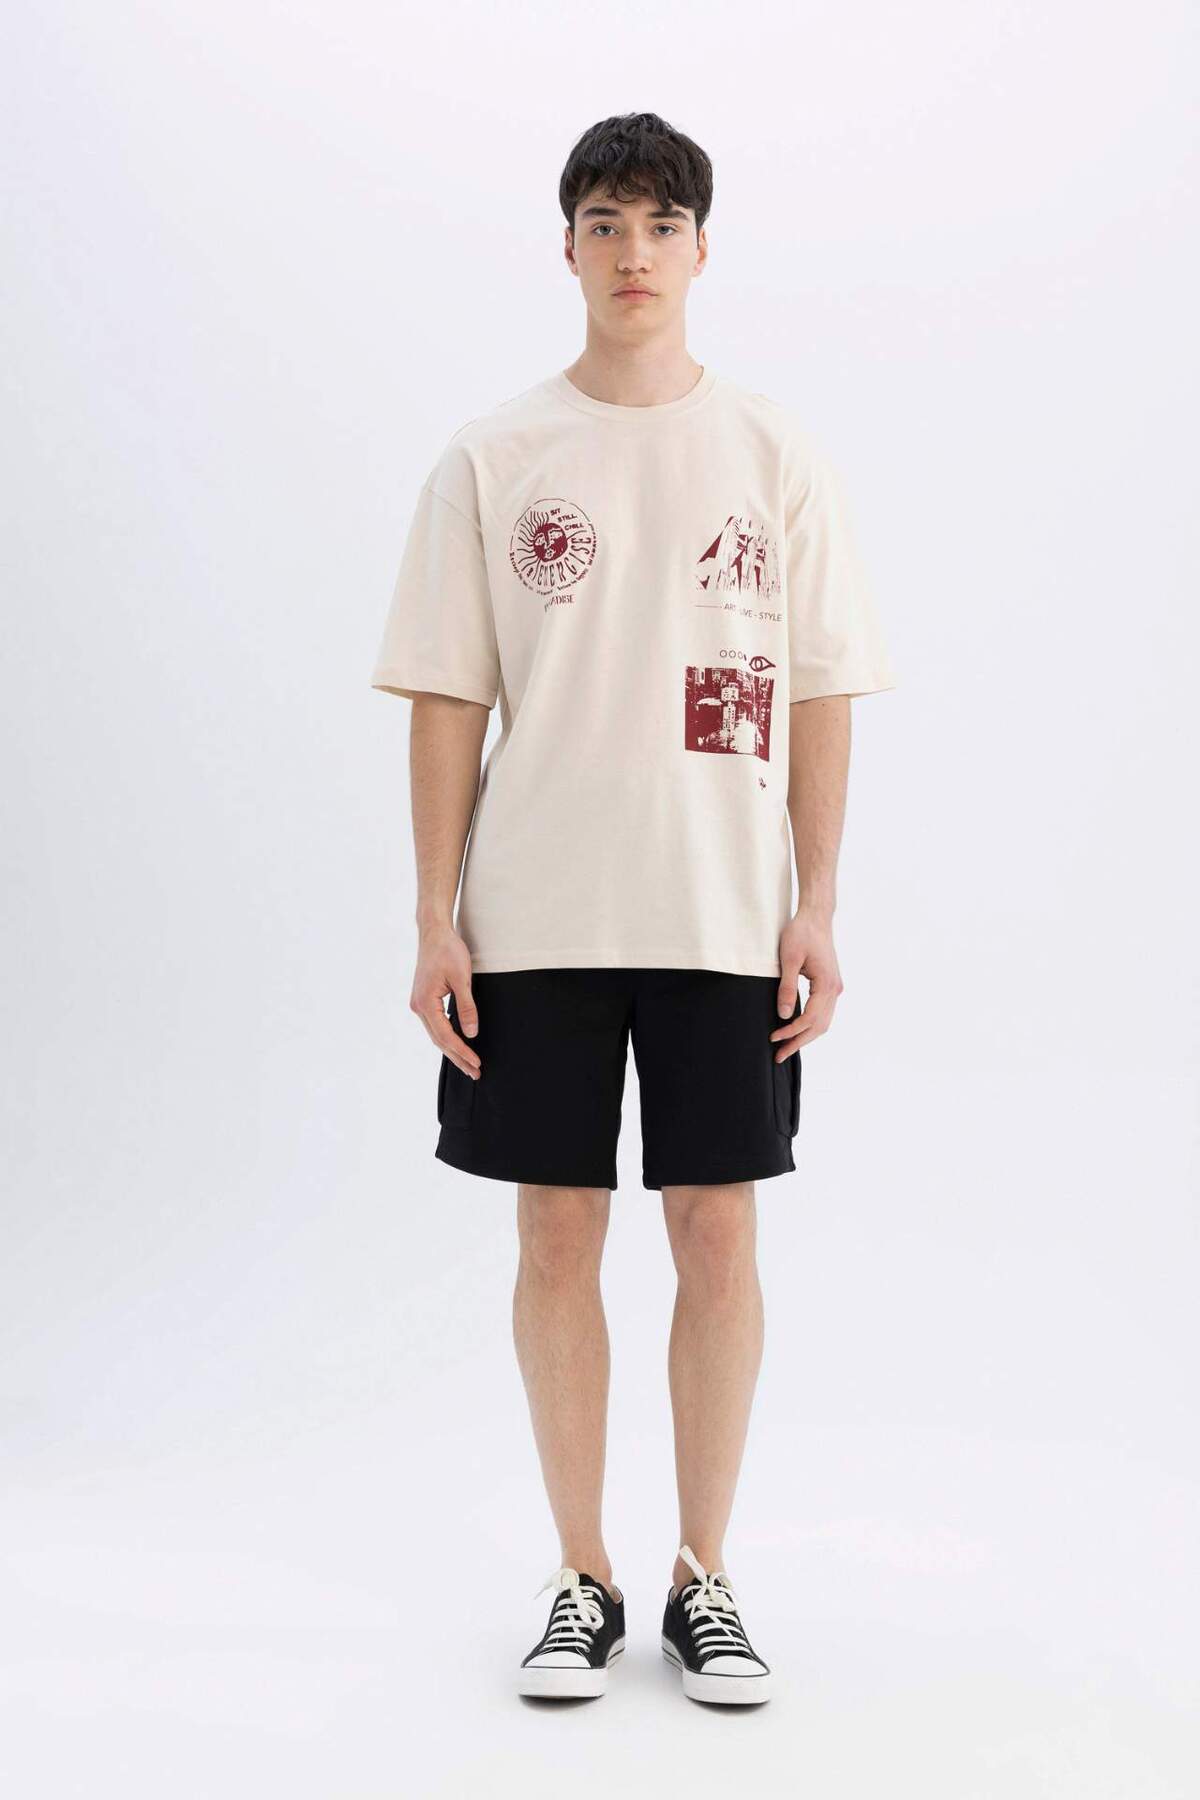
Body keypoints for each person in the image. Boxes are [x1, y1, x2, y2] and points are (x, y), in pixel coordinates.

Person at [370, 111, 894, 1706]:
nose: (634, 252)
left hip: (722, 912)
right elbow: (449, 698)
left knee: (717, 1229)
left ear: (703, 249)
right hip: (535, 915)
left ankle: (702, 1573)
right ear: (569, 248)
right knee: (555, 1231)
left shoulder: (773, 454)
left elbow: (818, 688)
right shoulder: (495, 457)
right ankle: (582, 1575)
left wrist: (818, 903)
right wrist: (434, 916)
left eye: (662, 224)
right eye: (605, 222)